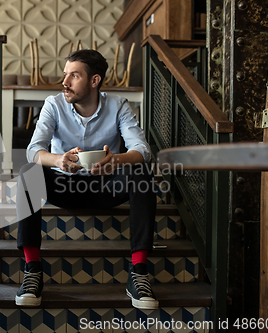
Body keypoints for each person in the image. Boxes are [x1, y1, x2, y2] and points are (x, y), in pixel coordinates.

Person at [14, 49, 158, 310]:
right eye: (65, 75)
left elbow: (142, 150)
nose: (65, 83)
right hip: (64, 186)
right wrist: (59, 160)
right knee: (28, 173)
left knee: (140, 173)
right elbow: (34, 150)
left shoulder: (118, 106)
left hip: (107, 187)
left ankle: (138, 272)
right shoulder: (54, 104)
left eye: (74, 76)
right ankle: (32, 269)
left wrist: (117, 160)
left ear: (94, 81)